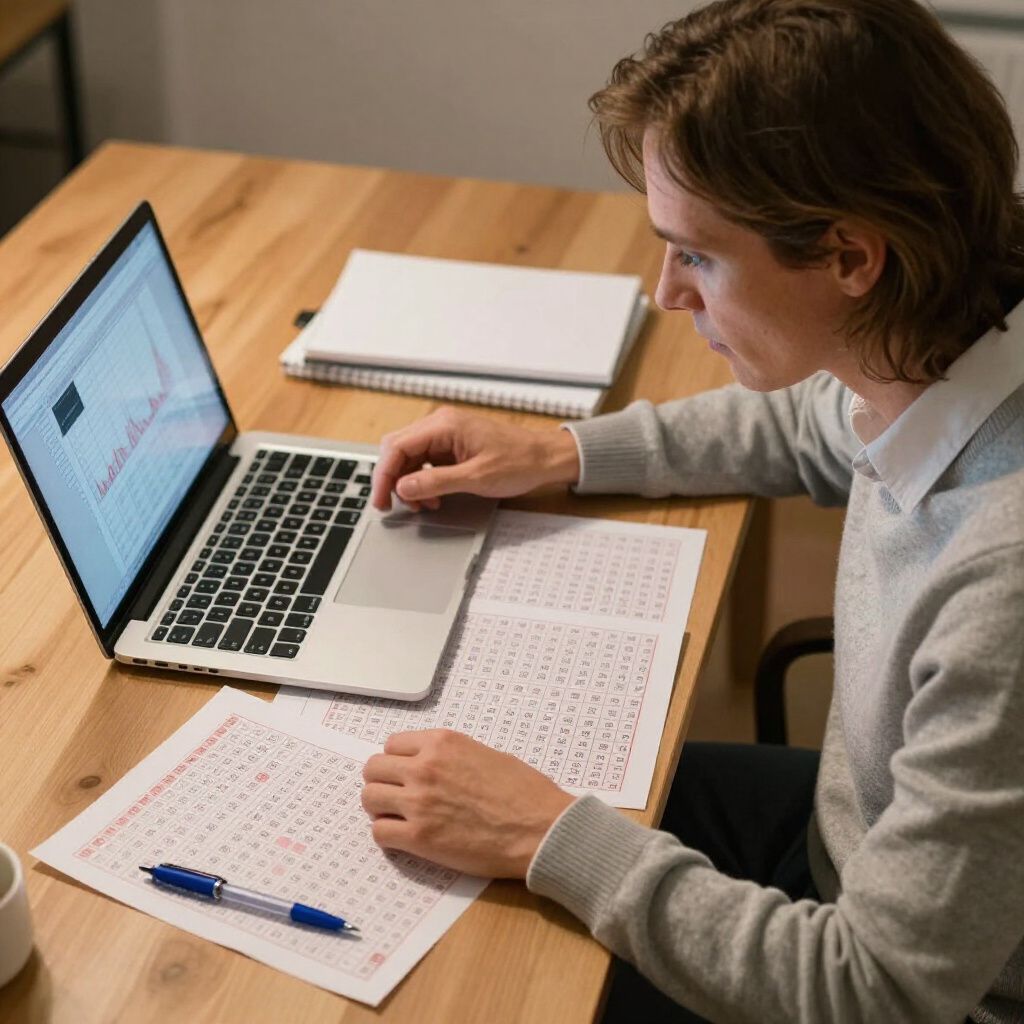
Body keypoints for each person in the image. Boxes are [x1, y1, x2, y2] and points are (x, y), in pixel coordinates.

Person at [360, 0, 1024, 1020]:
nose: (667, 292)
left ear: (850, 257)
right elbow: (821, 421)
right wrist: (559, 451)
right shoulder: (951, 330)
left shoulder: (1001, 586)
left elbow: (875, 990)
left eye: (697, 255)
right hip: (846, 845)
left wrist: (544, 835)